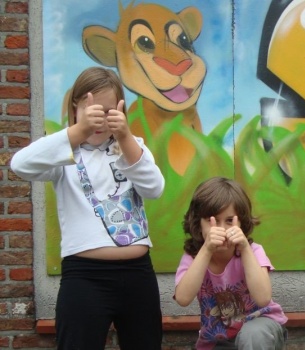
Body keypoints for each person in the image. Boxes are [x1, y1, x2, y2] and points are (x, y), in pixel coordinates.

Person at [10, 67, 165, 349]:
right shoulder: (63, 154)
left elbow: (154, 188)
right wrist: (77, 131)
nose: (100, 120)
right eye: (91, 110)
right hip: (84, 276)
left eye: (108, 112)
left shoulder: (133, 147)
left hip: (137, 274)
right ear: (75, 107)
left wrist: (126, 137)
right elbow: (20, 165)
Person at [174, 177, 287, 350]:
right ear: (198, 223)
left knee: (253, 335)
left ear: (242, 222)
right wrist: (206, 249)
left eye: (229, 221)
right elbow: (182, 298)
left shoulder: (253, 251)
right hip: (217, 340)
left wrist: (244, 248)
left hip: (262, 330)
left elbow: (263, 298)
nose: (221, 229)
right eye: (212, 221)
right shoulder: (194, 257)